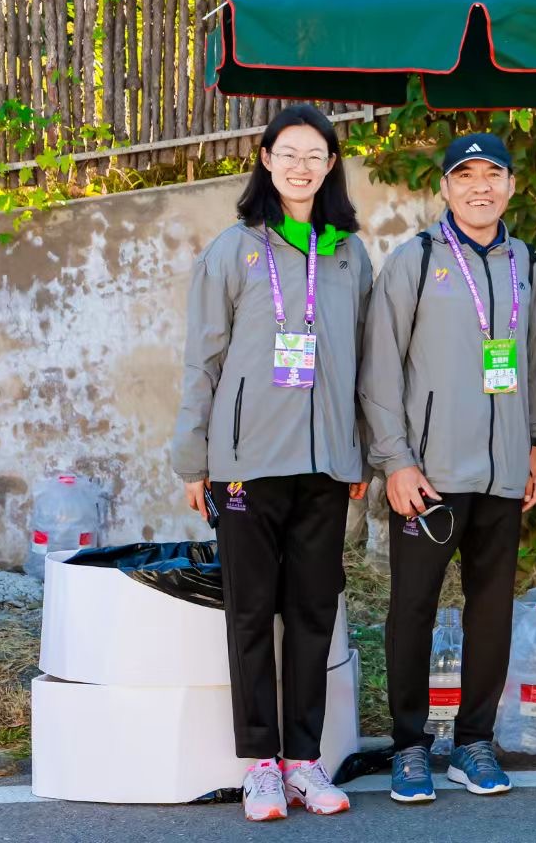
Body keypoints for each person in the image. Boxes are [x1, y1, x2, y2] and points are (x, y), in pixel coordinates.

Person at [170, 104, 373, 822]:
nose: (301, 166)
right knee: (252, 612)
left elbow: (367, 364)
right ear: (265, 158)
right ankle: (261, 764)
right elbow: (203, 359)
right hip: (244, 464)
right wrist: (192, 458)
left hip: (325, 466)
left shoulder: (348, 254)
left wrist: (363, 450)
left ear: (331, 164)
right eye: (288, 152)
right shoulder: (233, 250)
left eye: (315, 154)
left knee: (313, 612)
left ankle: (304, 761)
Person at [360, 133, 536, 804]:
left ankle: (474, 742)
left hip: (502, 473)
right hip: (429, 476)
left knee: (490, 612)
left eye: (492, 174)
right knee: (412, 608)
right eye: (464, 175)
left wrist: (531, 443)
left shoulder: (526, 262)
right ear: (444, 188)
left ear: (511, 186)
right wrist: (395, 461)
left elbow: (531, 362)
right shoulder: (415, 261)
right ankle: (410, 746)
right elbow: (380, 368)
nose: (479, 187)